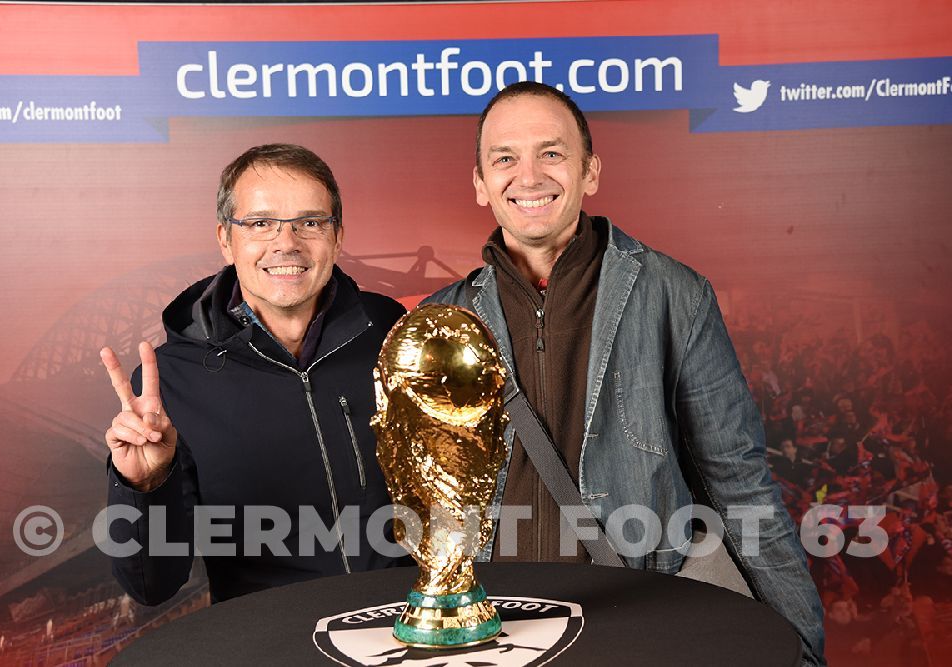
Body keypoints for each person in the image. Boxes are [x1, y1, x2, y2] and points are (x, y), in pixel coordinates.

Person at [425, 81, 825, 665]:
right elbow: (434, 502)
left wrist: (803, 644)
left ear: (590, 172)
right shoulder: (442, 319)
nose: (529, 175)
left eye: (552, 153)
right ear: (481, 184)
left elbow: (738, 482)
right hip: (493, 629)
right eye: (505, 158)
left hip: (635, 617)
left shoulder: (674, 295)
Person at [101, 144, 407, 605]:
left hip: (408, 628)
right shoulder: (169, 384)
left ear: (338, 236)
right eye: (261, 224)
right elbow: (151, 586)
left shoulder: (390, 331)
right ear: (226, 239)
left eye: (310, 222)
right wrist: (145, 487)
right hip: (273, 643)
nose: (287, 243)